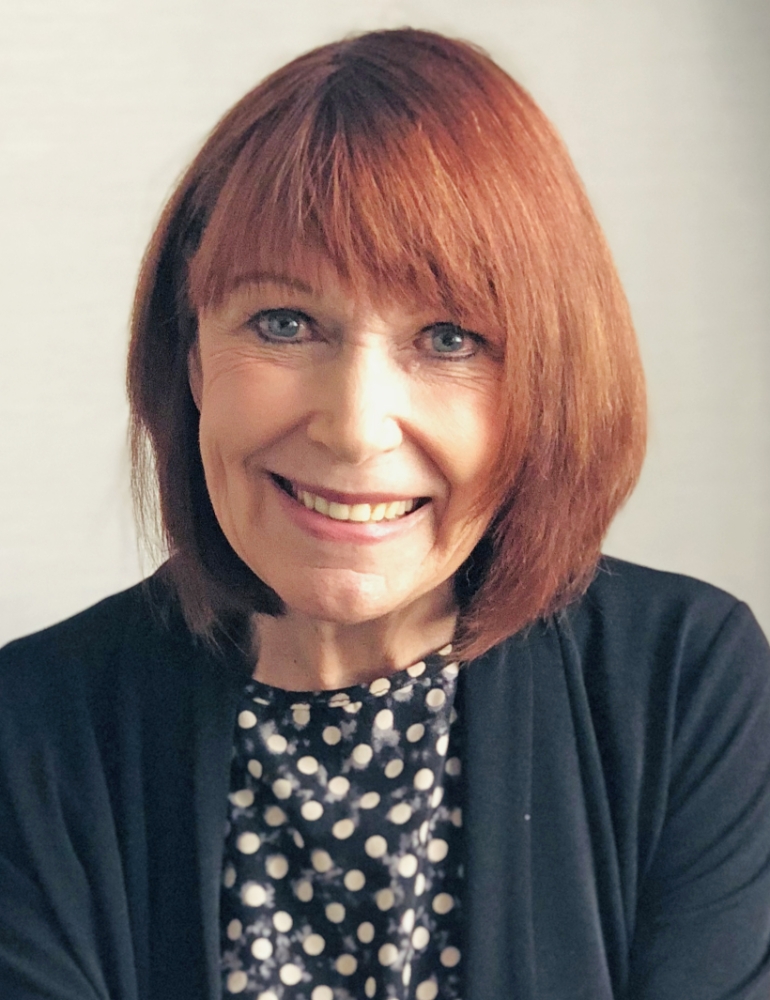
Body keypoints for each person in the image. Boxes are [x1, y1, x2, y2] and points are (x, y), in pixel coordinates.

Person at [1, 26, 769, 1000]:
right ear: (192, 358)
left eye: (448, 338)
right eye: (284, 323)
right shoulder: (32, 731)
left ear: (546, 385)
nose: (356, 428)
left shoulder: (683, 686)